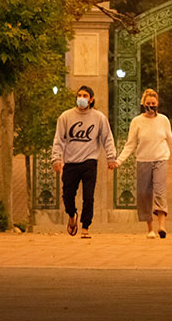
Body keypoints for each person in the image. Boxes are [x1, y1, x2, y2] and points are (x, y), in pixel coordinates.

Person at [109, 88, 172, 239]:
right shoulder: (137, 122)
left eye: (153, 103)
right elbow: (130, 144)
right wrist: (118, 161)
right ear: (143, 104)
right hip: (143, 160)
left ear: (158, 103)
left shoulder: (163, 120)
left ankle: (162, 226)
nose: (151, 106)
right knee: (144, 193)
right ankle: (150, 227)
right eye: (148, 103)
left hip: (161, 159)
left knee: (159, 191)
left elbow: (171, 141)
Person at [52, 85, 116, 239]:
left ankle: (85, 226)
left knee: (88, 196)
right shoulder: (65, 117)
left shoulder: (99, 118)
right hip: (70, 162)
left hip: (89, 161)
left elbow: (107, 138)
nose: (81, 98)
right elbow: (59, 139)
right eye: (79, 95)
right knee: (68, 194)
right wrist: (56, 158)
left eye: (85, 95)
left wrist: (111, 157)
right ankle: (72, 215)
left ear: (91, 99)